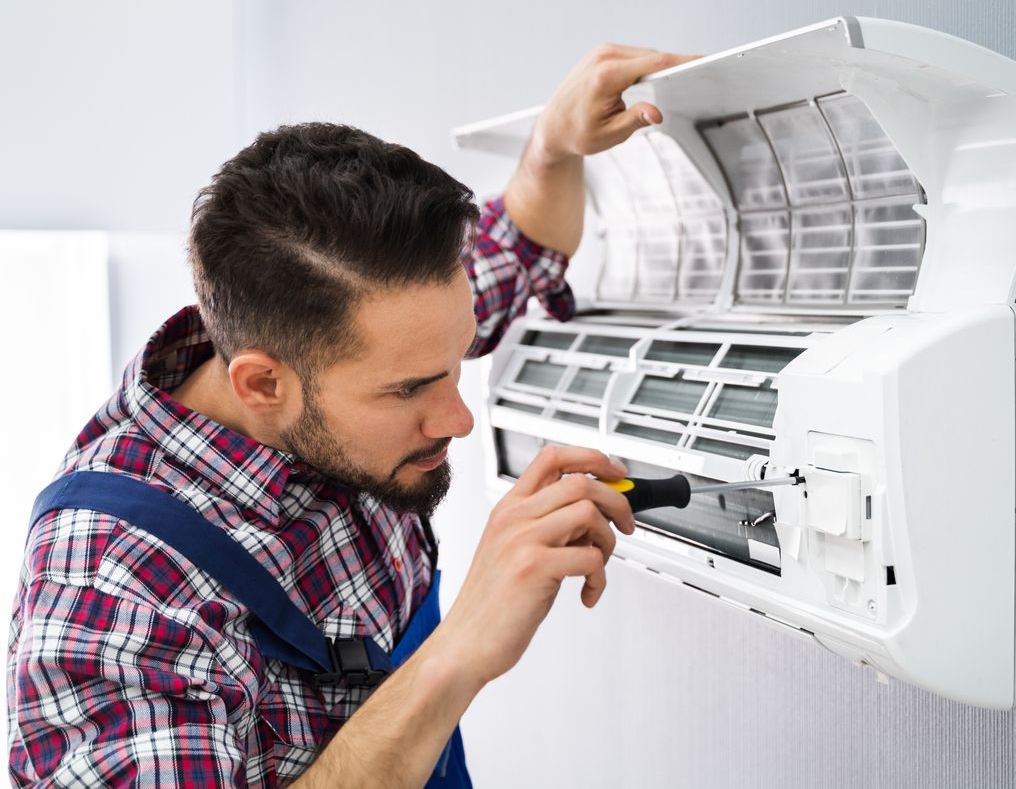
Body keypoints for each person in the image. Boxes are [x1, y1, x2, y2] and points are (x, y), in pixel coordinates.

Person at [7, 44, 693, 787]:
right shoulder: (111, 586)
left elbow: (523, 240)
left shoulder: (376, 333)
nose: (458, 418)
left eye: (457, 362)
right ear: (264, 385)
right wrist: (457, 652)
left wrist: (554, 148)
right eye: (409, 391)